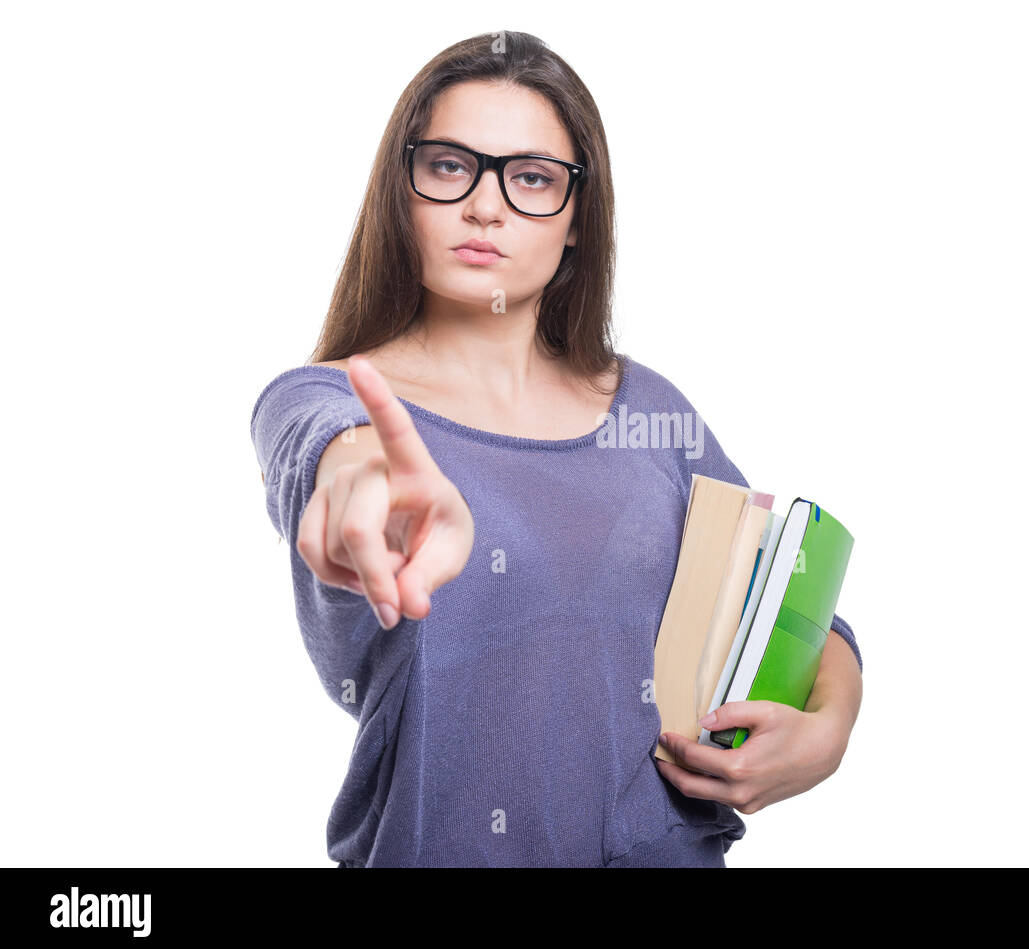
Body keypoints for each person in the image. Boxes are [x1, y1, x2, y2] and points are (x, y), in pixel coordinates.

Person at [249, 31, 863, 867]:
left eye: (531, 177)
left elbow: (792, 611)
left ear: (578, 218)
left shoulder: (650, 411)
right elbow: (323, 452)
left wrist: (831, 725)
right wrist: (360, 478)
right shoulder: (331, 401)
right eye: (448, 166)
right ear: (403, 190)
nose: (486, 206)